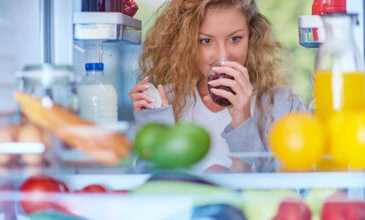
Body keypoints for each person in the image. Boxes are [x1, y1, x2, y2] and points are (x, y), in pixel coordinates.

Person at [129, 0, 305, 172]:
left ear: (251, 36)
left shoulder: (284, 105)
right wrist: (155, 128)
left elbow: (289, 187)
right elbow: (152, 188)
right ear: (186, 43)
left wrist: (242, 119)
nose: (223, 55)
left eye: (235, 38)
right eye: (206, 41)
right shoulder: (166, 102)